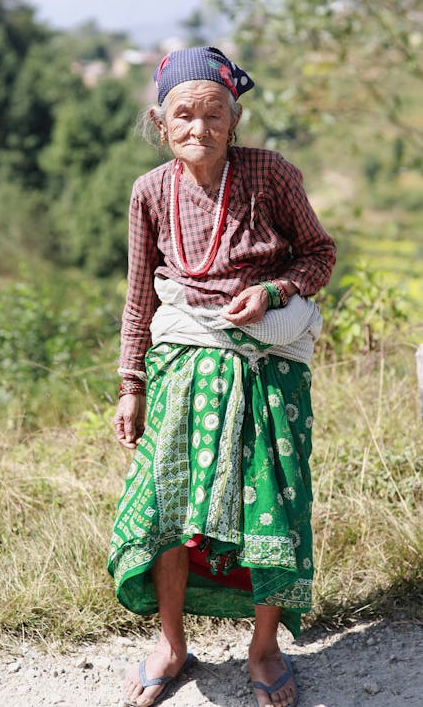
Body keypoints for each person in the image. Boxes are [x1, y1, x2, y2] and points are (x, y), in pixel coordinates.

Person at [108, 46, 336, 707]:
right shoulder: (150, 191)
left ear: (234, 121)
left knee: (271, 500)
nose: (198, 128)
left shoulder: (270, 174)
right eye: (184, 115)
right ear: (160, 124)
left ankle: (264, 651)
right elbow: (138, 299)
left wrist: (273, 291)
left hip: (266, 361)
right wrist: (130, 386)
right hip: (182, 361)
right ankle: (172, 645)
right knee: (165, 504)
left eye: (213, 114)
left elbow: (319, 254)